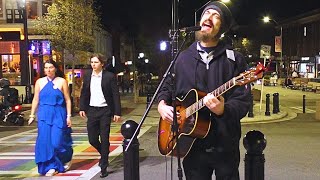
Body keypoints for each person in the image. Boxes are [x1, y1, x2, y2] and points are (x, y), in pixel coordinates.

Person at [157, 2, 251, 180]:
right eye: (206, 13)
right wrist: (162, 106)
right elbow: (167, 87)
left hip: (225, 144)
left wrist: (224, 110)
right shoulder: (182, 58)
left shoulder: (235, 59)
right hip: (191, 145)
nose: (209, 17)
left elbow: (243, 100)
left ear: (221, 27)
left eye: (216, 16)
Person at [28, 59, 73, 176]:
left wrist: (69, 116)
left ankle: (64, 159)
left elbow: (68, 100)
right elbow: (36, 99)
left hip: (58, 113)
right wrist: (32, 114)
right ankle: (51, 166)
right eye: (46, 68)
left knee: (56, 142)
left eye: (51, 67)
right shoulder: (39, 82)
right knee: (45, 142)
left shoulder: (62, 81)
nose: (48, 70)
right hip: (43, 114)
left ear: (55, 69)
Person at [79, 53, 121, 178]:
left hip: (105, 111)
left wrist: (117, 112)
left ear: (102, 63)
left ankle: (104, 166)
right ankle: (104, 153)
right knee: (92, 139)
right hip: (92, 110)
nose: (93, 64)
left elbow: (115, 95)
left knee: (104, 137)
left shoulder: (109, 76)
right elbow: (84, 92)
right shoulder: (87, 76)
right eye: (92, 62)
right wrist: (82, 107)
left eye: (96, 62)